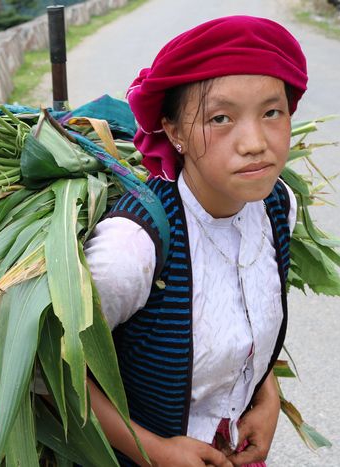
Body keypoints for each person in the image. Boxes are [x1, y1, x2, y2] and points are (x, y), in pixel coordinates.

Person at [83, 15, 308, 467]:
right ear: (175, 130)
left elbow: (245, 318)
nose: (255, 143)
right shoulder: (131, 251)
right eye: (221, 118)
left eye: (272, 112)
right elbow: (52, 369)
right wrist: (154, 451)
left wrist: (267, 398)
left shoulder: (277, 207)